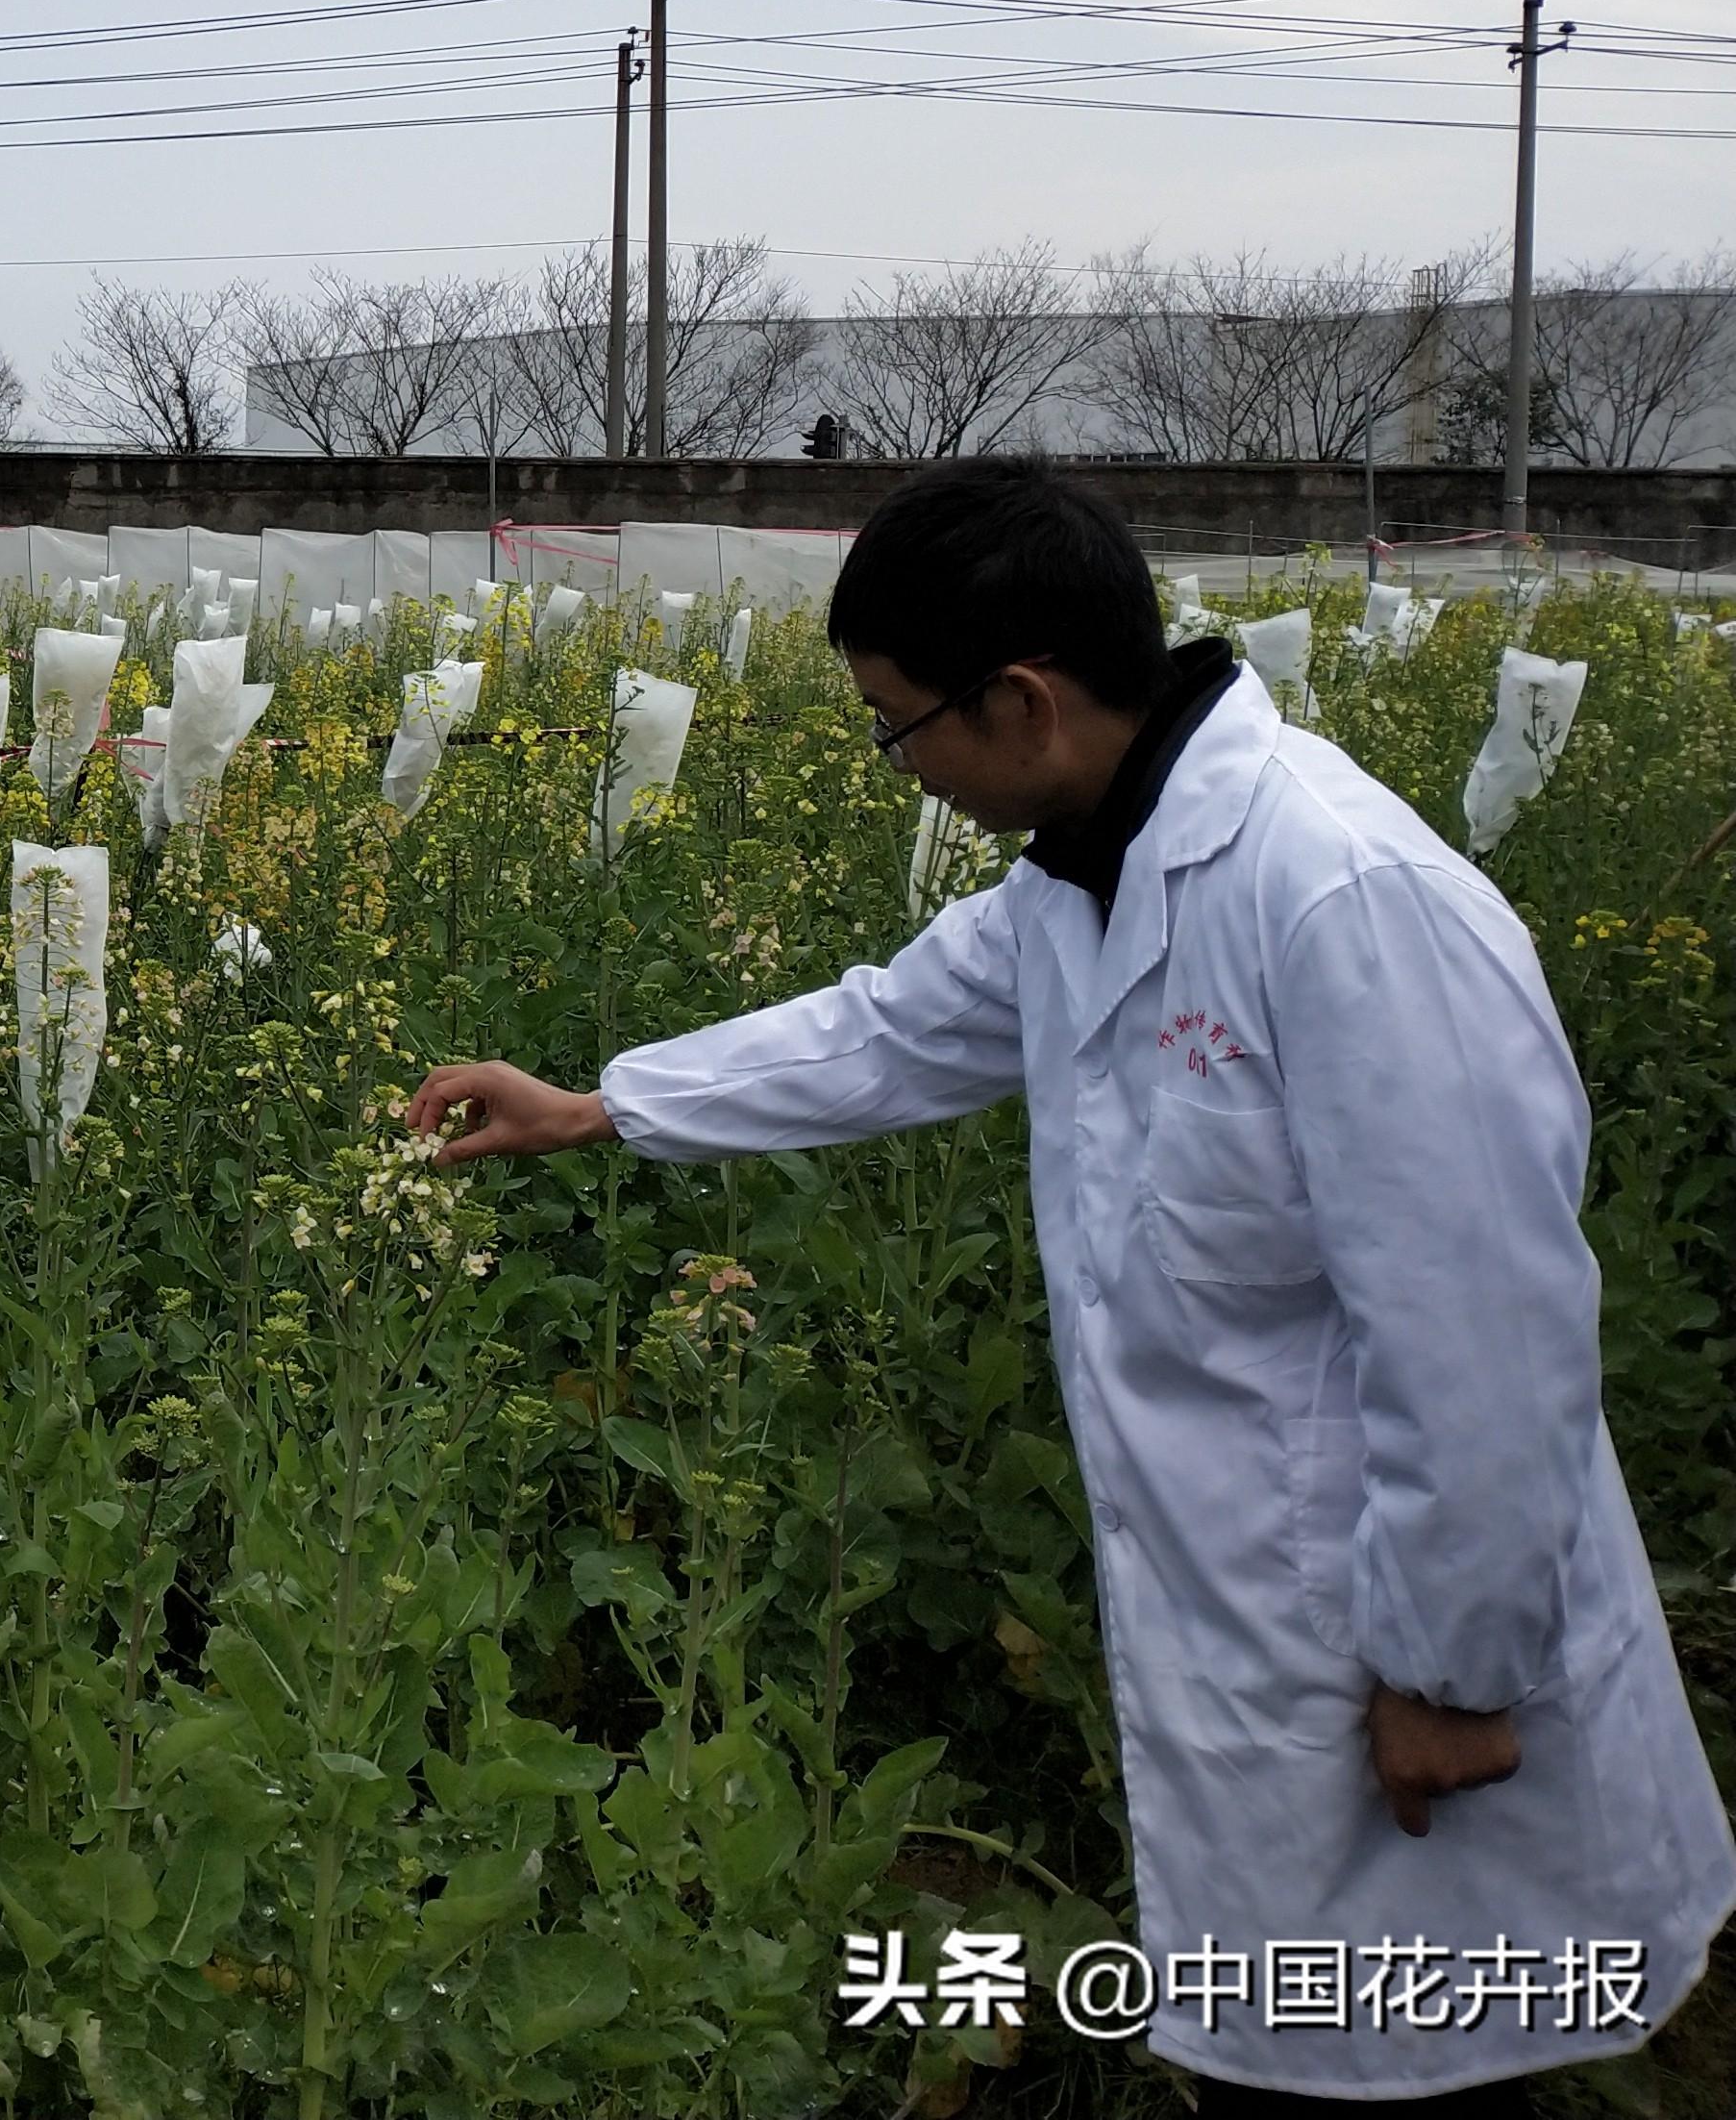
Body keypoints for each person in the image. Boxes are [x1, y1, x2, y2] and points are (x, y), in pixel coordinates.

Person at [410, 461, 1731, 2111]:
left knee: (1428, 2071)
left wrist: (1452, 1675)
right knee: (1302, 2049)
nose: (903, 766)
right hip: (1257, 1619)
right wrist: (607, 1104)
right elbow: (889, 1027)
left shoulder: (1342, 898)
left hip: (1407, 1654)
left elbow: (1489, 1332)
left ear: (1021, 702)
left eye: (901, 728)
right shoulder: (1083, 872)